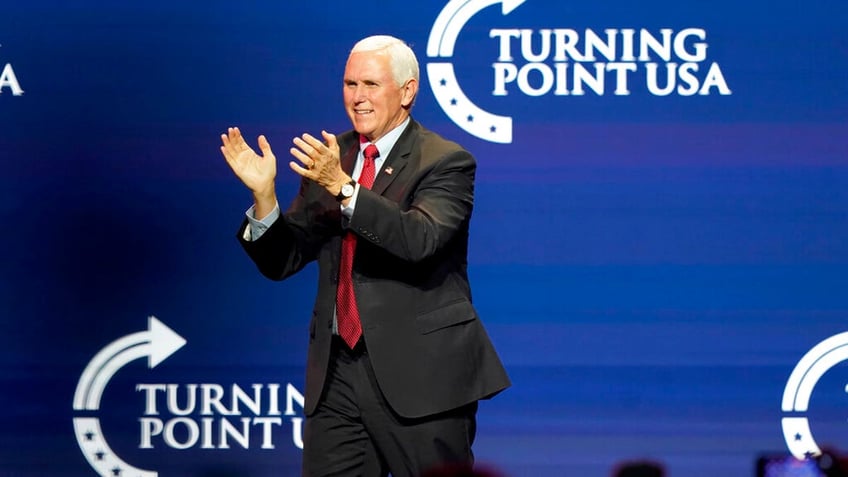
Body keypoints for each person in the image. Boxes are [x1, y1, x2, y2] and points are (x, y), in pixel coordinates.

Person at [220, 35, 510, 476]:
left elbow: (420, 239)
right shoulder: (331, 159)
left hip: (421, 376)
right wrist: (264, 198)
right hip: (336, 374)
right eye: (350, 84)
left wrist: (344, 187)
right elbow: (284, 260)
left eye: (371, 84)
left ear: (407, 91)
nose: (358, 97)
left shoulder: (445, 161)